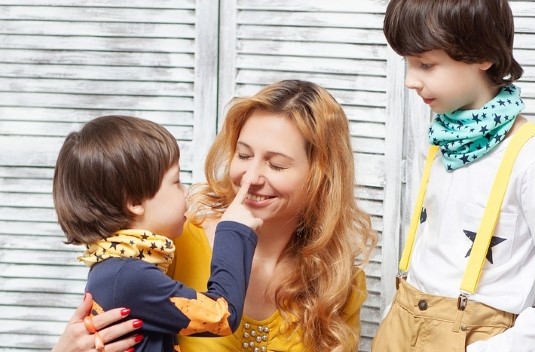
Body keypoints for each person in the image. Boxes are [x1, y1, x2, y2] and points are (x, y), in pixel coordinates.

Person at [371, 0, 535, 352]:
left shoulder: (530, 160)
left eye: (425, 64)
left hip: (475, 337)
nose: (409, 80)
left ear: (482, 55)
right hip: (401, 325)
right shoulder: (439, 140)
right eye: (407, 62)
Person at [170, 80, 377, 352]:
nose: (251, 177)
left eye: (276, 165)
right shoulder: (178, 243)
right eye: (243, 155)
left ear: (321, 175)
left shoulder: (336, 280)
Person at [52, 115, 262, 351]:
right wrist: (233, 231)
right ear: (134, 201)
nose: (186, 192)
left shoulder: (114, 268)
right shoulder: (128, 274)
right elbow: (221, 316)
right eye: (177, 181)